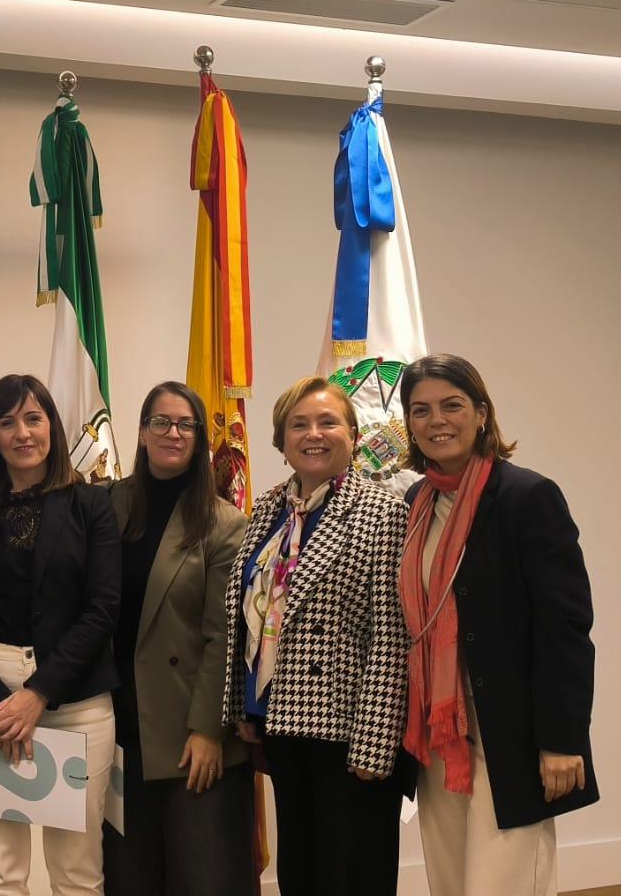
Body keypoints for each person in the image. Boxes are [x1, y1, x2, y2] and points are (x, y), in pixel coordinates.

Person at [395, 354, 598, 896]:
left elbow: (566, 627)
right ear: (409, 424)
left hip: (511, 737)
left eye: (452, 405)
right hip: (441, 735)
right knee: (452, 885)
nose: (437, 420)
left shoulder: (527, 497)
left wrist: (562, 739)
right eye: (421, 410)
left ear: (481, 413)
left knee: (506, 885)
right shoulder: (416, 503)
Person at [221, 376, 409, 896]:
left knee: (351, 875)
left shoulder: (383, 512)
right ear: (281, 442)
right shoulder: (268, 508)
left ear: (353, 433)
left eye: (328, 421)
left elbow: (390, 637)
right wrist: (246, 706)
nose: (314, 434)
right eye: (298, 424)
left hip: (349, 732)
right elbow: (253, 614)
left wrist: (375, 744)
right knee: (300, 873)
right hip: (281, 723)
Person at [0, 374, 122, 896]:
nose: (22, 432)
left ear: (52, 428)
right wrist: (1, 706)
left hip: (76, 701)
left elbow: (103, 608)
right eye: (7, 421)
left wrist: (37, 695)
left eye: (33, 418)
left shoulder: (92, 505)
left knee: (77, 874)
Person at [101, 381, 255, 896]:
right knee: (129, 879)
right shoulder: (104, 507)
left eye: (186, 424)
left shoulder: (224, 524)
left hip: (190, 734)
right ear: (142, 433)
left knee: (203, 879)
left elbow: (221, 637)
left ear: (199, 440)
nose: (173, 432)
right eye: (160, 422)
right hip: (116, 728)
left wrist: (208, 729)